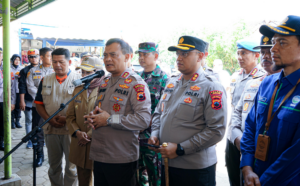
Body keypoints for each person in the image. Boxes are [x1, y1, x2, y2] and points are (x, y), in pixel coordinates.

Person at [148, 36, 227, 186]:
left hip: (195, 170)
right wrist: (155, 134)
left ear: (201, 56)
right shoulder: (172, 82)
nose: (179, 58)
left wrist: (180, 149)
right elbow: (159, 113)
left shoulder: (211, 86)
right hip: (168, 164)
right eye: (178, 53)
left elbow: (216, 130)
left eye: (185, 54)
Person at [241, 15, 300, 186]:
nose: (273, 49)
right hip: (254, 174)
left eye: (282, 42)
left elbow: (295, 155)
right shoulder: (267, 82)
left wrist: (263, 181)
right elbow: (251, 125)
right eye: (274, 42)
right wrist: (246, 166)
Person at [84, 38, 151, 186]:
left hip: (120, 158)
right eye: (105, 55)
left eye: (113, 55)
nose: (108, 59)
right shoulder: (105, 81)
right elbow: (101, 112)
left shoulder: (136, 83)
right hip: (99, 155)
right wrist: (93, 117)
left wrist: (109, 120)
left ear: (127, 57)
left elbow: (143, 120)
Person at [228, 35, 281, 185]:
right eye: (263, 52)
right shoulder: (253, 83)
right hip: (244, 148)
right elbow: (237, 114)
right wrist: (239, 139)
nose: (266, 56)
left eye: (269, 51)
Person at [35, 48, 80, 186]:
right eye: (54, 62)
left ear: (69, 61)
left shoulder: (79, 80)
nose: (57, 65)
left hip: (71, 131)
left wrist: (67, 119)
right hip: (51, 129)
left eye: (61, 62)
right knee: (54, 167)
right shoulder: (45, 79)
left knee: (72, 168)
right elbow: (39, 104)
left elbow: (84, 108)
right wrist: (49, 119)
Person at [225, 38, 266, 186]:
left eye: (244, 53)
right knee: (233, 175)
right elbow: (234, 106)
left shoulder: (263, 76)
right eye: (238, 53)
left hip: (250, 139)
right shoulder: (236, 76)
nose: (239, 57)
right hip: (234, 134)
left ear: (256, 55)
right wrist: (234, 135)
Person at [135, 42, 169, 186]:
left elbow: (164, 109)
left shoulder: (164, 79)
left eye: (145, 54)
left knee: (156, 176)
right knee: (137, 177)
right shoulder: (136, 78)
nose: (141, 58)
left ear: (155, 56)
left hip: (152, 138)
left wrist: (146, 122)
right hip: (135, 137)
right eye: (140, 55)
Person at [66, 57, 104, 186]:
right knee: (82, 179)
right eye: (82, 72)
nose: (84, 75)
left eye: (88, 72)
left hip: (98, 142)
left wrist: (88, 135)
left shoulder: (105, 90)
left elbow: (107, 118)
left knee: (100, 178)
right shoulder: (79, 89)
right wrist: (77, 132)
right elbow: (70, 116)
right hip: (79, 143)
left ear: (99, 72)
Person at [26, 47, 53, 167]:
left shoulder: (56, 70)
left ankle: (54, 155)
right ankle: (39, 155)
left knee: (54, 130)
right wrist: (41, 98)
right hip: (38, 106)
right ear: (41, 57)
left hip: (54, 106)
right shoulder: (33, 71)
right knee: (38, 130)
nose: (51, 58)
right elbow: (30, 87)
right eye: (49, 56)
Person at [19, 49, 40, 149]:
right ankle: (30, 140)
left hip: (41, 100)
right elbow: (22, 86)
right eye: (31, 57)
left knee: (40, 120)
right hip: (28, 99)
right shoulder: (24, 71)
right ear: (28, 58)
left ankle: (40, 139)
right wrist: (21, 100)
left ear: (39, 56)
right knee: (29, 120)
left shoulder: (45, 69)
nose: (33, 58)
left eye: (35, 56)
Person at [0, 67, 16, 150]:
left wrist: (12, 102)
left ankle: (1, 141)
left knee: (3, 122)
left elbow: (12, 87)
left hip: (3, 100)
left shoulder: (7, 69)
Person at [10, 54, 23, 129]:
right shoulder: (9, 69)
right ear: (12, 60)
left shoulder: (21, 69)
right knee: (11, 106)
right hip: (10, 90)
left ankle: (17, 121)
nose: (17, 61)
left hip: (18, 90)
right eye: (16, 59)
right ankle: (12, 122)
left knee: (18, 107)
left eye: (18, 60)